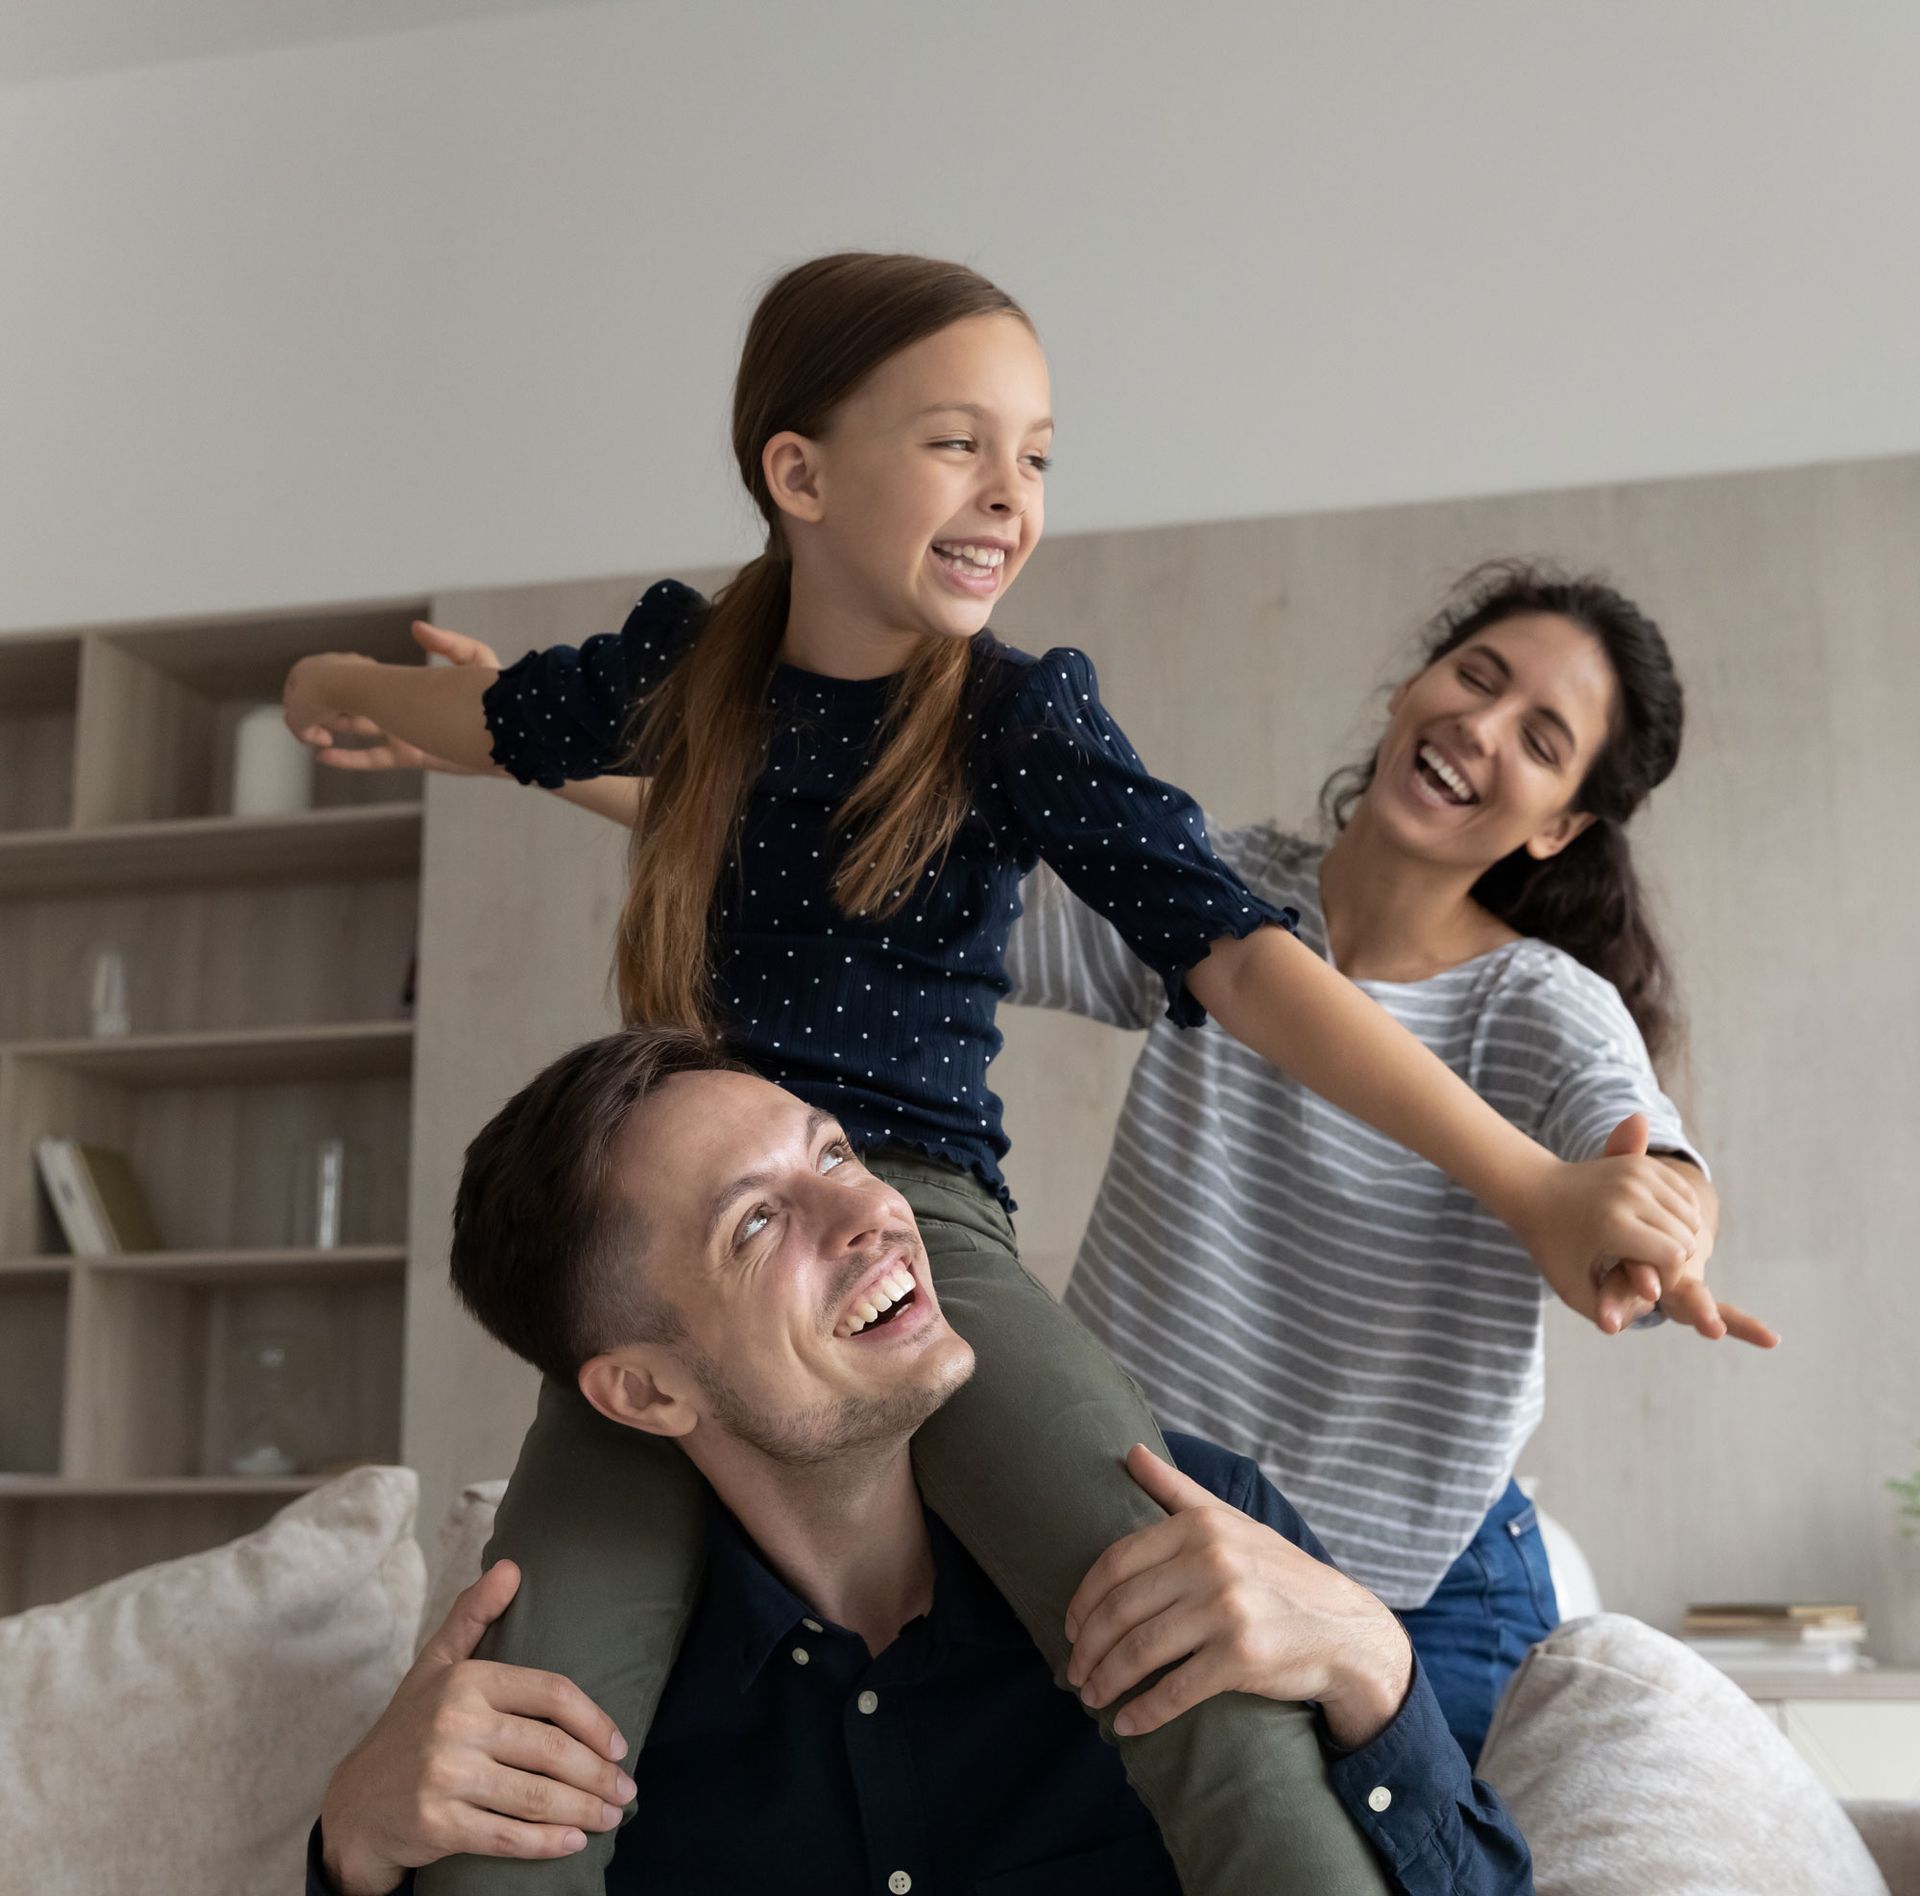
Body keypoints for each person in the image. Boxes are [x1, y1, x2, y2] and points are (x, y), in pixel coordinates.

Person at [283, 252, 1709, 1892]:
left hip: (926, 1217)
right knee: (510, 1771)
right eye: (962, 442)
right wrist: (339, 690)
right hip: (677, 1240)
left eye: (1036, 455)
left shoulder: (1018, 724)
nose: (1010, 492)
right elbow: (504, 725)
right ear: (799, 473)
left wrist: (1535, 1182)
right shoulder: (687, 678)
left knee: (1191, 1650)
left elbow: (1246, 958)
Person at [310, 1027, 1533, 1895]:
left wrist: (1374, 1666)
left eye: (834, 1155)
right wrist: (351, 1855)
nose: (871, 1215)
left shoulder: (1210, 1534)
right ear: (645, 1390)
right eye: (757, 1223)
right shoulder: (588, 1723)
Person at [1006, 562, 1779, 1758]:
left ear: (1558, 823)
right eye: (1476, 676)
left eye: (1541, 736)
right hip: (1144, 1531)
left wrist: (1663, 1224)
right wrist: (685, 795)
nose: (1479, 727)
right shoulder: (1215, 891)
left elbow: (1644, 1150)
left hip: (1412, 1588)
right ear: (1409, 686)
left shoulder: (1538, 1005)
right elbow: (932, 900)